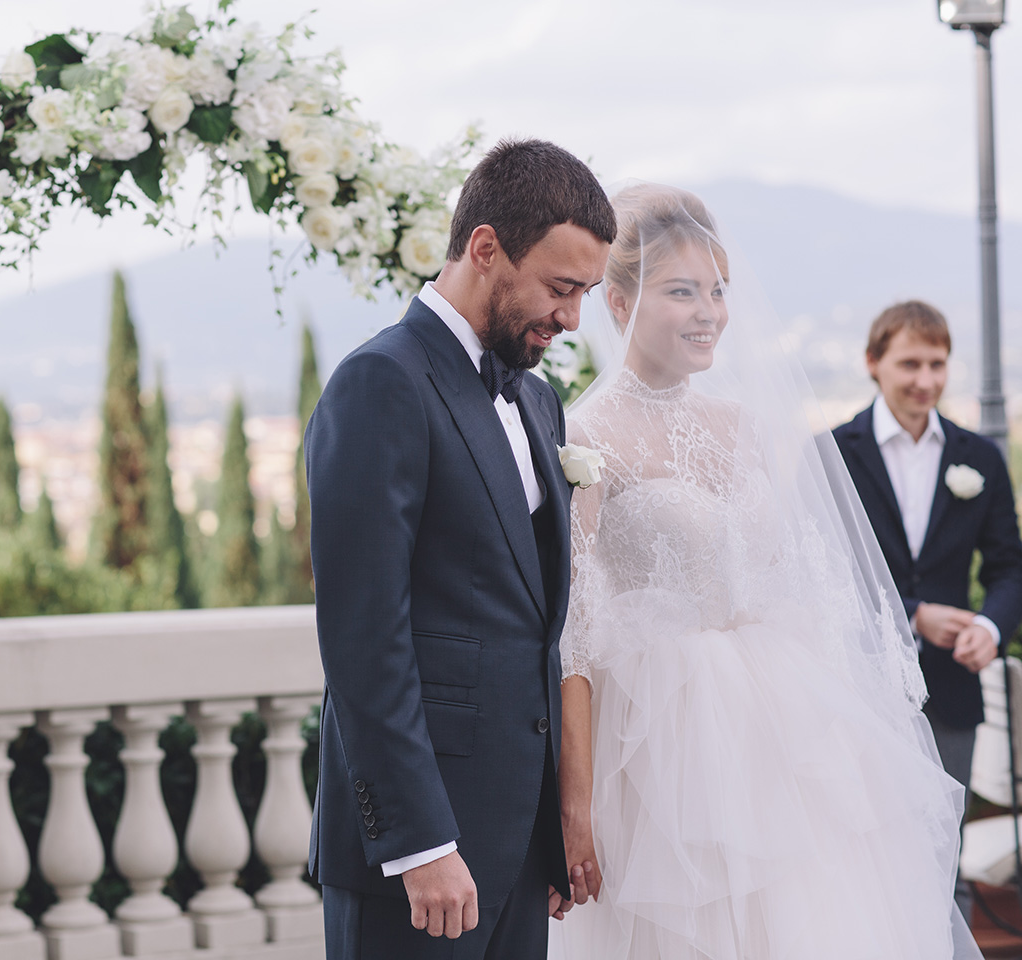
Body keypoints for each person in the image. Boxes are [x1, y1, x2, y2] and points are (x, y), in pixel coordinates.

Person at [551, 183, 979, 959]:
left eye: (718, 290)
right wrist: (574, 804)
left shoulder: (743, 423)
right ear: (618, 302)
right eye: (682, 292)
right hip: (656, 752)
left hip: (779, 730)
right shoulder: (585, 435)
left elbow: (793, 579)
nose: (710, 312)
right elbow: (573, 634)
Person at [304, 138, 614, 959]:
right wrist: (419, 844)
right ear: (485, 248)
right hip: (418, 857)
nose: (572, 317)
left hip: (517, 848)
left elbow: (532, 627)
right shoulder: (381, 383)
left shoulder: (541, 401)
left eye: (585, 292)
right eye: (560, 287)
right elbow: (365, 641)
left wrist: (550, 826)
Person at [833, 300, 1022, 922]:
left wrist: (991, 626)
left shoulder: (981, 458)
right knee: (863, 850)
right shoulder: (832, 455)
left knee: (947, 851)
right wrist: (915, 615)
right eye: (910, 362)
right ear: (873, 363)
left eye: (937, 364)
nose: (925, 379)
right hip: (855, 688)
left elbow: (1008, 567)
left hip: (951, 689)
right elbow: (823, 577)